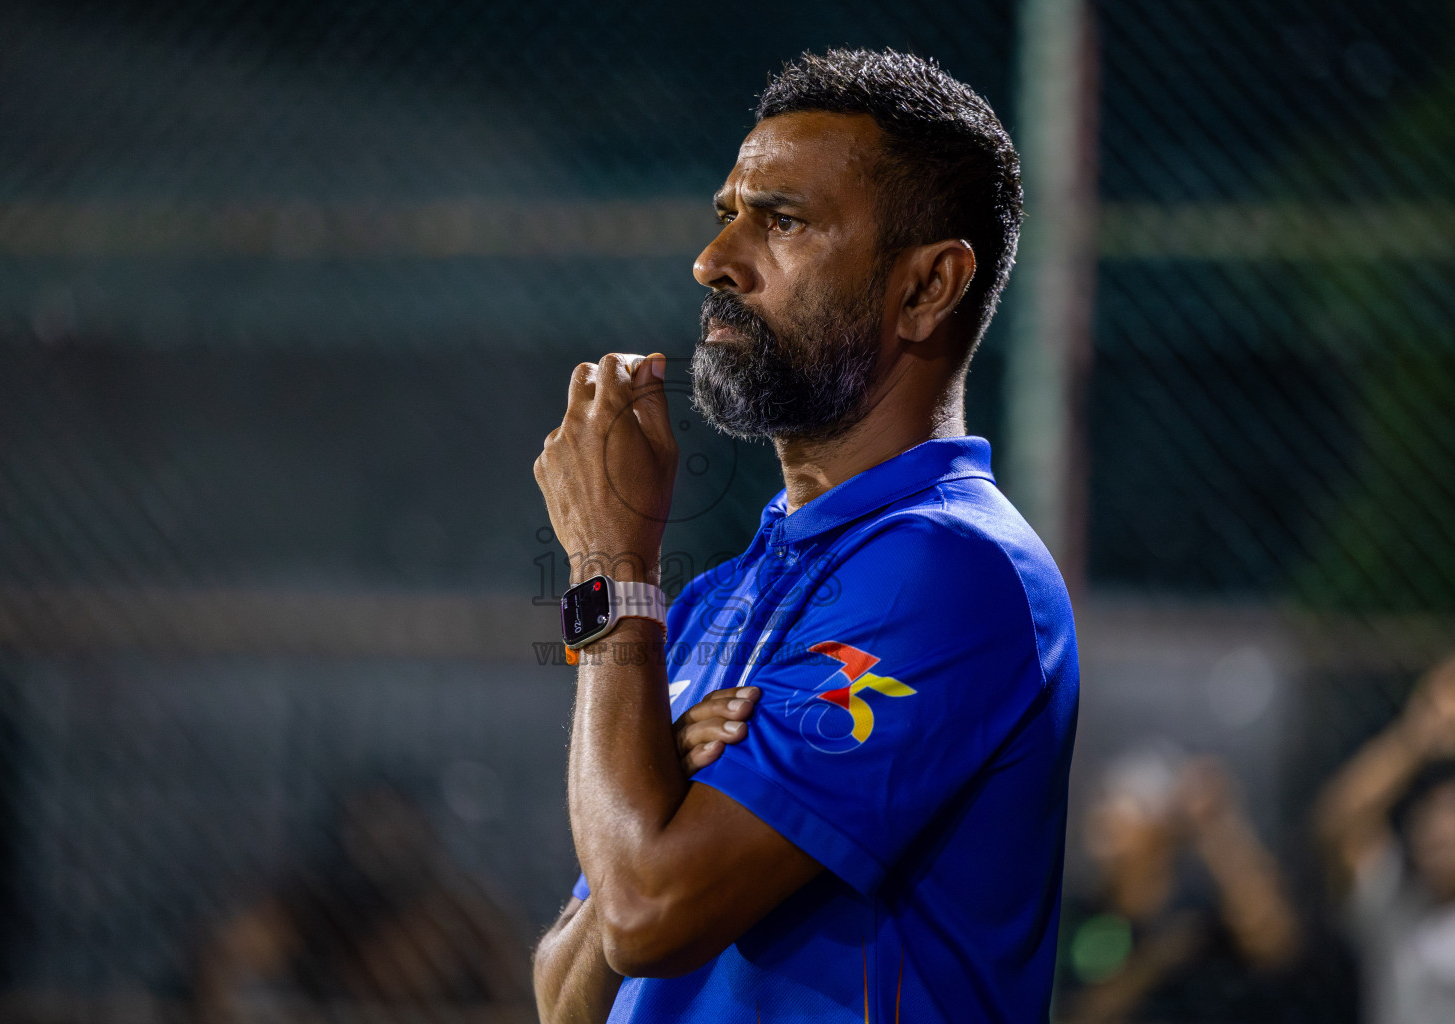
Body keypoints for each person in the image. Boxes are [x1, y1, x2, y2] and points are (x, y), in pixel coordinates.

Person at [531, 48, 1079, 1022]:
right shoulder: (711, 599)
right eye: (727, 215)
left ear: (927, 287)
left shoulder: (955, 573)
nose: (715, 262)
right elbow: (567, 992)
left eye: (781, 222)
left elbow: (647, 911)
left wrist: (608, 571)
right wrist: (652, 787)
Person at [192, 784, 532, 1023]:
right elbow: (222, 976)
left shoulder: (460, 916)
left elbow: (517, 996)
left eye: (396, 836)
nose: (383, 848)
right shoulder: (299, 909)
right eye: (370, 835)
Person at [1056, 748, 1301, 1023]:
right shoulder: (1077, 913)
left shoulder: (1198, 910)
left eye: (1123, 801)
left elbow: (1273, 942)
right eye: (1101, 799)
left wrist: (1218, 825)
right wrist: (1155, 961)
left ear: (1161, 827)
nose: (1103, 814)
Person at [1315, 652, 1455, 1024]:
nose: (1439, 830)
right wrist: (1420, 731)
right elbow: (1338, 822)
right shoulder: (1393, 905)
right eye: (1431, 813)